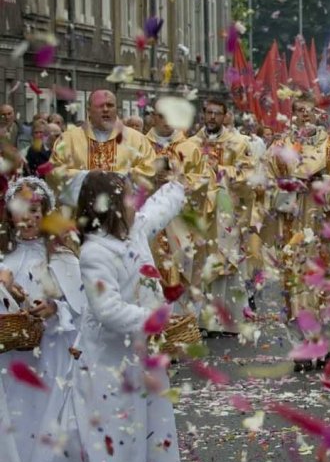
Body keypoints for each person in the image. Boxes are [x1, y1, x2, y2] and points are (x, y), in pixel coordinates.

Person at [41, 171, 188, 462]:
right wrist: (154, 320)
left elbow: (158, 210)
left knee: (142, 438)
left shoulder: (134, 228)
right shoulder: (94, 253)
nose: (132, 202)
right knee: (105, 442)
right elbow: (107, 310)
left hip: (138, 359)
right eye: (124, 197)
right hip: (105, 363)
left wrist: (177, 184)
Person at [0, 177, 85, 462]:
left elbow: (81, 308)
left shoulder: (62, 256)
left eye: (35, 211)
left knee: (50, 433)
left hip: (50, 358)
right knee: (17, 433)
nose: (28, 218)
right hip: (13, 364)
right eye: (21, 211)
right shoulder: (3, 256)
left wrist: (55, 307)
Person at [264, 97, 330, 371]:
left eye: (309, 111)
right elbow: (263, 183)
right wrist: (286, 187)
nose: (305, 116)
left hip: (325, 226)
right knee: (296, 284)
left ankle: (325, 345)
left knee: (326, 283)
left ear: (319, 114)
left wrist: (326, 185)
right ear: (292, 114)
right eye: (299, 111)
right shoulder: (280, 147)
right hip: (293, 226)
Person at [188, 97, 254, 333]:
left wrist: (219, 171)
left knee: (226, 262)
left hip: (226, 210)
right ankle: (203, 319)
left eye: (218, 113)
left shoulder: (237, 143)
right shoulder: (192, 143)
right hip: (201, 212)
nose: (213, 117)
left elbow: (248, 173)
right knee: (201, 261)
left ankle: (228, 319)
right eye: (209, 112)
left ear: (225, 116)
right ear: (203, 114)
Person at [49, 90, 156, 206]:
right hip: (78, 214)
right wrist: (88, 177)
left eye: (110, 105)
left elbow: (150, 171)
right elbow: (54, 172)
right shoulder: (68, 139)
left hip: (123, 214)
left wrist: (118, 179)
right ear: (89, 110)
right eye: (100, 105)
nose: (106, 109)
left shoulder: (137, 140)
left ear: (117, 109)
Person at [146, 103, 209, 300]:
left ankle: (182, 326)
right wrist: (150, 179)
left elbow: (206, 180)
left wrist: (180, 182)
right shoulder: (140, 145)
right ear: (153, 118)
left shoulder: (191, 148)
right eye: (161, 116)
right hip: (148, 221)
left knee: (182, 271)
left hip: (180, 221)